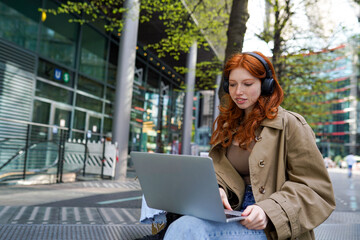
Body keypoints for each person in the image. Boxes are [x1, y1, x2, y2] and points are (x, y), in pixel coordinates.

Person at [163, 52, 335, 240]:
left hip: (270, 226)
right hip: (232, 213)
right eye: (233, 84)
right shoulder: (229, 125)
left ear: (266, 85)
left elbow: (316, 191)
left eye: (247, 84)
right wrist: (217, 191)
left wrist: (269, 211)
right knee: (183, 226)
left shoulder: (291, 124)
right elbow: (224, 174)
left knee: (186, 232)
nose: (238, 92)